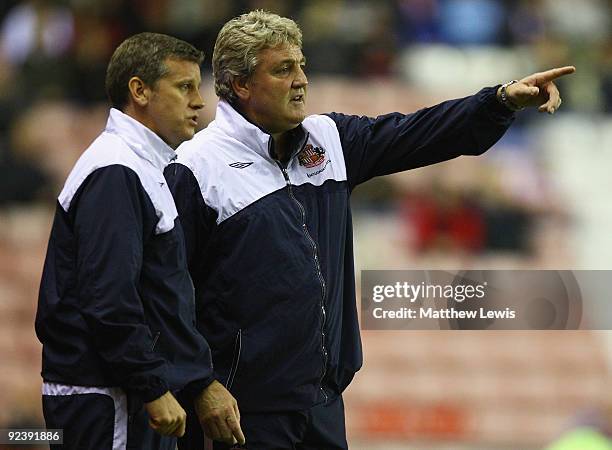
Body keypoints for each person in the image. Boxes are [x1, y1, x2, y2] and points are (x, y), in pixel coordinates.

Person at [164, 10, 575, 450]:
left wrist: (500, 101)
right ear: (241, 85)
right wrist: (199, 383)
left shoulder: (329, 139)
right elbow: (165, 290)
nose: (302, 79)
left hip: (323, 404)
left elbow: (421, 132)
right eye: (283, 69)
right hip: (242, 410)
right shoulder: (196, 168)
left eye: (302, 65)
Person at [35, 32, 245, 449]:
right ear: (140, 90)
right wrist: (151, 385)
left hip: (119, 393)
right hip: (107, 397)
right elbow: (109, 298)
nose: (199, 101)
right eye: (184, 87)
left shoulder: (140, 165)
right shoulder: (117, 170)